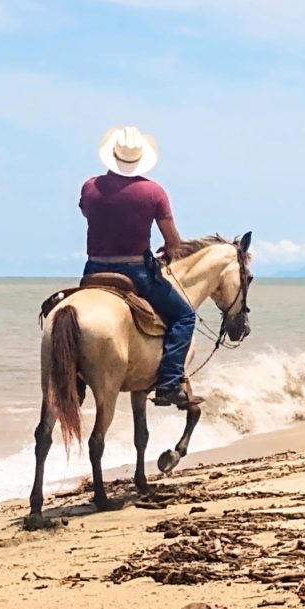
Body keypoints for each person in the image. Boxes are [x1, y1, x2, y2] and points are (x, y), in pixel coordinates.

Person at [79, 126, 196, 408]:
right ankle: (169, 384)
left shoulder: (89, 186)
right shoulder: (154, 192)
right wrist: (168, 250)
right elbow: (173, 240)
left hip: (93, 270)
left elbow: (86, 212)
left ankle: (75, 378)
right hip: (135, 272)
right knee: (185, 317)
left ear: (112, 156)